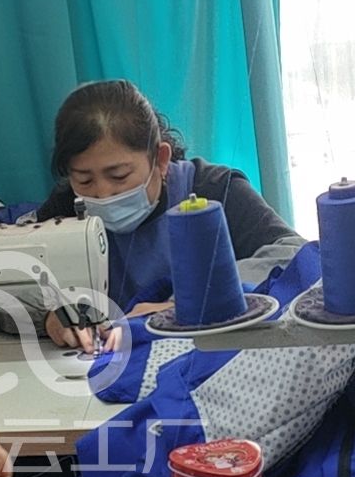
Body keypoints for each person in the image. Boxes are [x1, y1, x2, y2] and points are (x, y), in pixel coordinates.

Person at [37, 79, 299, 348]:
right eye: (84, 180)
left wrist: (189, 303)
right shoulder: (65, 207)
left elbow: (294, 252)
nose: (102, 194)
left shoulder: (215, 189)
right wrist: (48, 316)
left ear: (161, 159)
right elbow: (16, 281)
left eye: (119, 176)